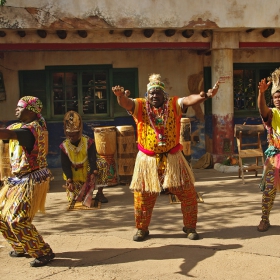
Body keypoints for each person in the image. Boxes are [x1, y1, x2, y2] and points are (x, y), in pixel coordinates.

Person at [112, 73, 220, 241]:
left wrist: (204, 96)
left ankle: (190, 227)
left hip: (173, 158)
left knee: (188, 192)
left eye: (158, 92)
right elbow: (126, 103)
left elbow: (189, 100)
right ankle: (142, 229)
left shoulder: (173, 104)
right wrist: (120, 97)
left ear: (164, 95)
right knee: (143, 196)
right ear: (148, 95)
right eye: (152, 93)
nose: (155, 95)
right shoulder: (140, 106)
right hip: (147, 161)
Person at [0, 96, 54, 267]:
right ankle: (21, 246)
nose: (16, 109)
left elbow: (6, 134)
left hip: (31, 179)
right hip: (16, 179)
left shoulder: (32, 130)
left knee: (18, 219)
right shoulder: (21, 127)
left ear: (31, 110)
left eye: (19, 107)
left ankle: (43, 252)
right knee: (1, 217)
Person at [60, 110, 108, 207]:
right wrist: (69, 180)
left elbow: (92, 158)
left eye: (74, 134)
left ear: (79, 131)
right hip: (75, 174)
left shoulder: (88, 142)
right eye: (69, 134)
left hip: (87, 169)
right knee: (77, 198)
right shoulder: (63, 146)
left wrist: (93, 172)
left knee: (102, 164)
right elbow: (65, 165)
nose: (71, 137)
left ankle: (100, 193)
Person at [257, 68, 280, 232]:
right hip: (275, 158)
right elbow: (262, 109)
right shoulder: (272, 114)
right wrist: (261, 94)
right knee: (269, 190)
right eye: (275, 97)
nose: (278, 99)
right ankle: (264, 219)